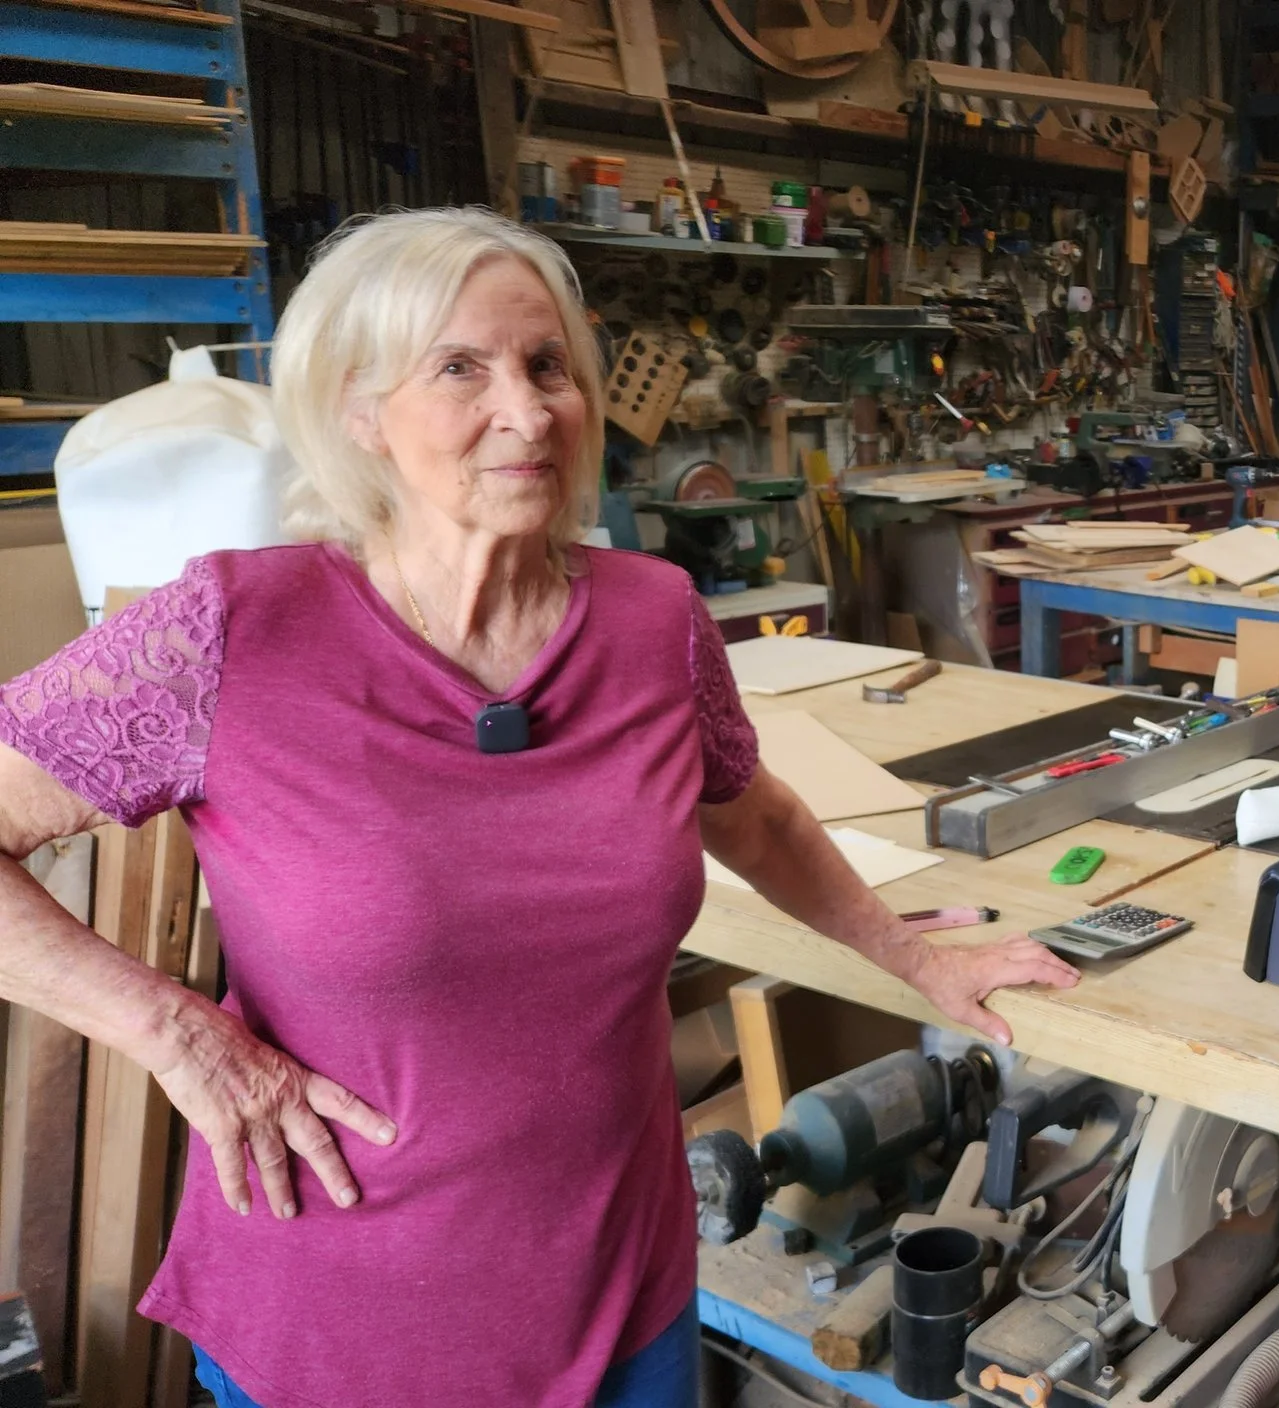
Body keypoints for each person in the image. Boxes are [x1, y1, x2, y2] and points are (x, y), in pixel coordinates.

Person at [0, 209, 1080, 1407]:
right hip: (343, 1326)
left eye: (548, 364)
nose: (526, 410)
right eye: (461, 368)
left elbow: (753, 814)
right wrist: (175, 1031)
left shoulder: (654, 620)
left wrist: (912, 957)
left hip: (622, 1302)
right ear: (359, 410)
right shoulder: (229, 631)